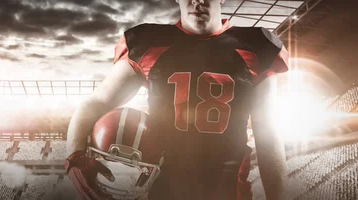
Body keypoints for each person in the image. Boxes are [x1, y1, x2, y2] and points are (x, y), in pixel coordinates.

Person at [64, 0, 290, 199]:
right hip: (161, 189)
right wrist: (73, 157)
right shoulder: (149, 43)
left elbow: (268, 136)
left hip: (228, 190)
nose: (198, 1)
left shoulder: (255, 47)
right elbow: (97, 102)